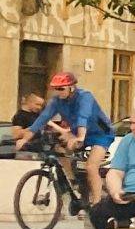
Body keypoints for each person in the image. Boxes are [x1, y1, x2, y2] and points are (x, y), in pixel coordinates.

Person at [13, 73, 115, 204]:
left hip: (101, 134)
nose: (58, 92)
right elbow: (41, 120)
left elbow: (82, 117)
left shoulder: (85, 96)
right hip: (77, 133)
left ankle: (97, 203)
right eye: (56, 89)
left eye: (61, 89)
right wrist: (24, 139)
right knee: (59, 149)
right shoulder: (57, 101)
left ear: (71, 88)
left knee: (91, 167)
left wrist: (80, 137)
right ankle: (73, 180)